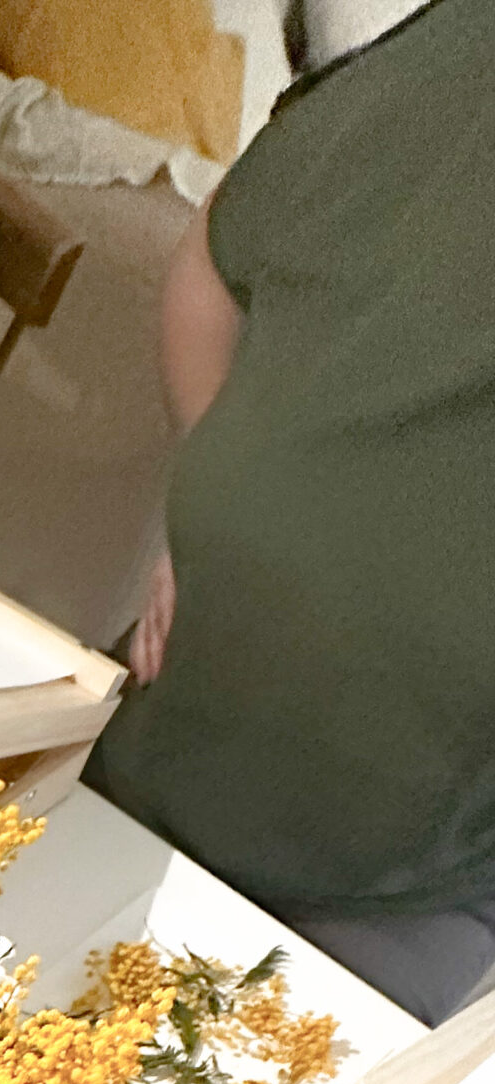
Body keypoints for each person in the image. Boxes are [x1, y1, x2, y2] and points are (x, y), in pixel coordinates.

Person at [87, 0, 495, 1026]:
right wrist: (218, 481)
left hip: (401, 881)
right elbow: (213, 265)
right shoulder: (449, 52)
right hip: (162, 744)